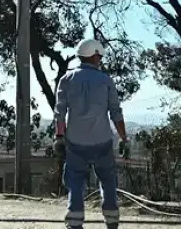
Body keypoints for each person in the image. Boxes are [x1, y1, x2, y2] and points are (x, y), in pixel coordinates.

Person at [53, 38, 129, 229]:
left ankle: (74, 223)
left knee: (75, 183)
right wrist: (124, 138)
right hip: (102, 141)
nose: (100, 59)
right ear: (95, 55)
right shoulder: (106, 80)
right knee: (108, 181)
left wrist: (59, 137)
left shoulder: (66, 79)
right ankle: (111, 222)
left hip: (75, 142)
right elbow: (116, 113)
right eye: (100, 56)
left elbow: (59, 112)